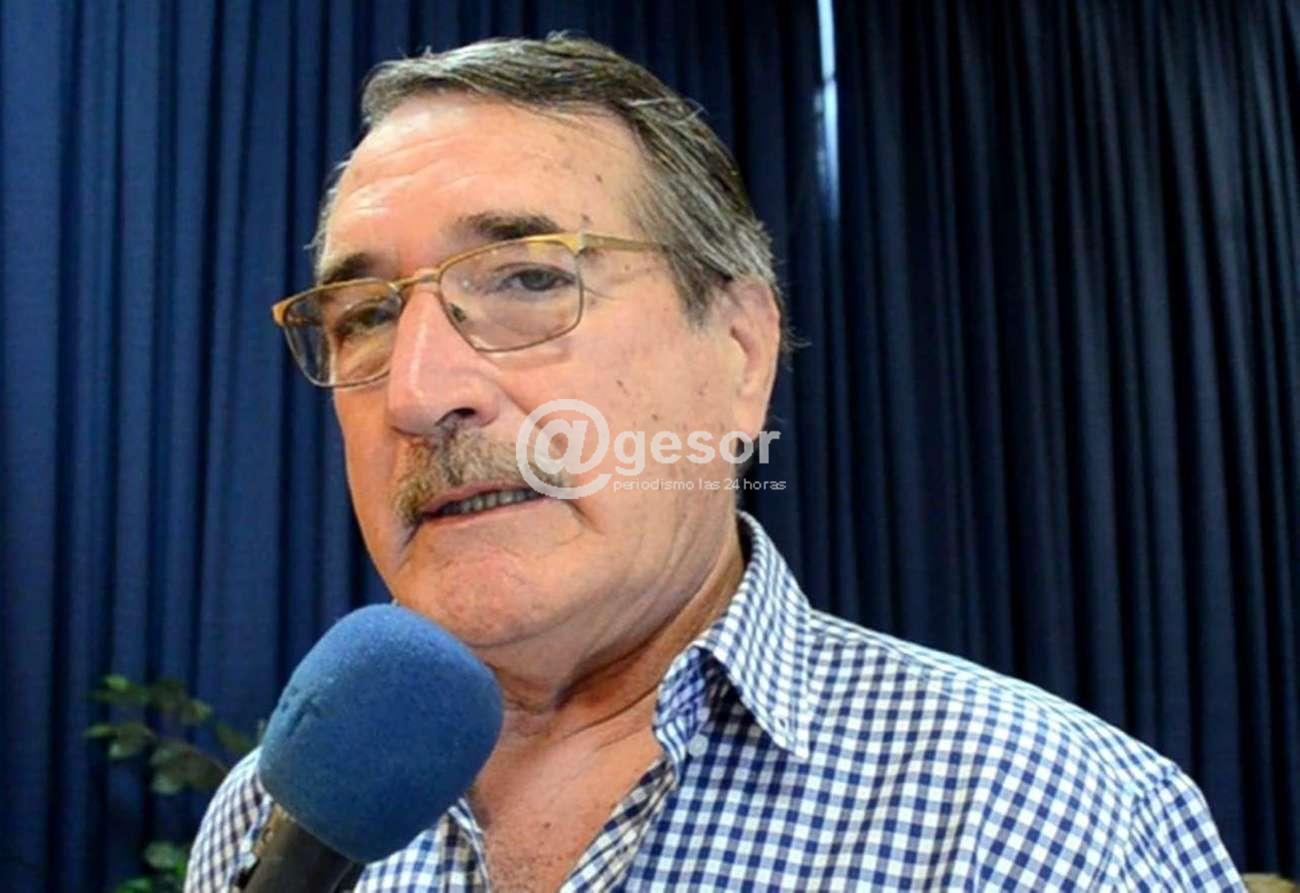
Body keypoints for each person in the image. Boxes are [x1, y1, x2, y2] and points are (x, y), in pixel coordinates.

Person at [187, 34, 1241, 891]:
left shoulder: (1043, 817)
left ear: (740, 354)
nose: (418, 392)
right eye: (365, 315)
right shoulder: (275, 816)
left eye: (527, 279)